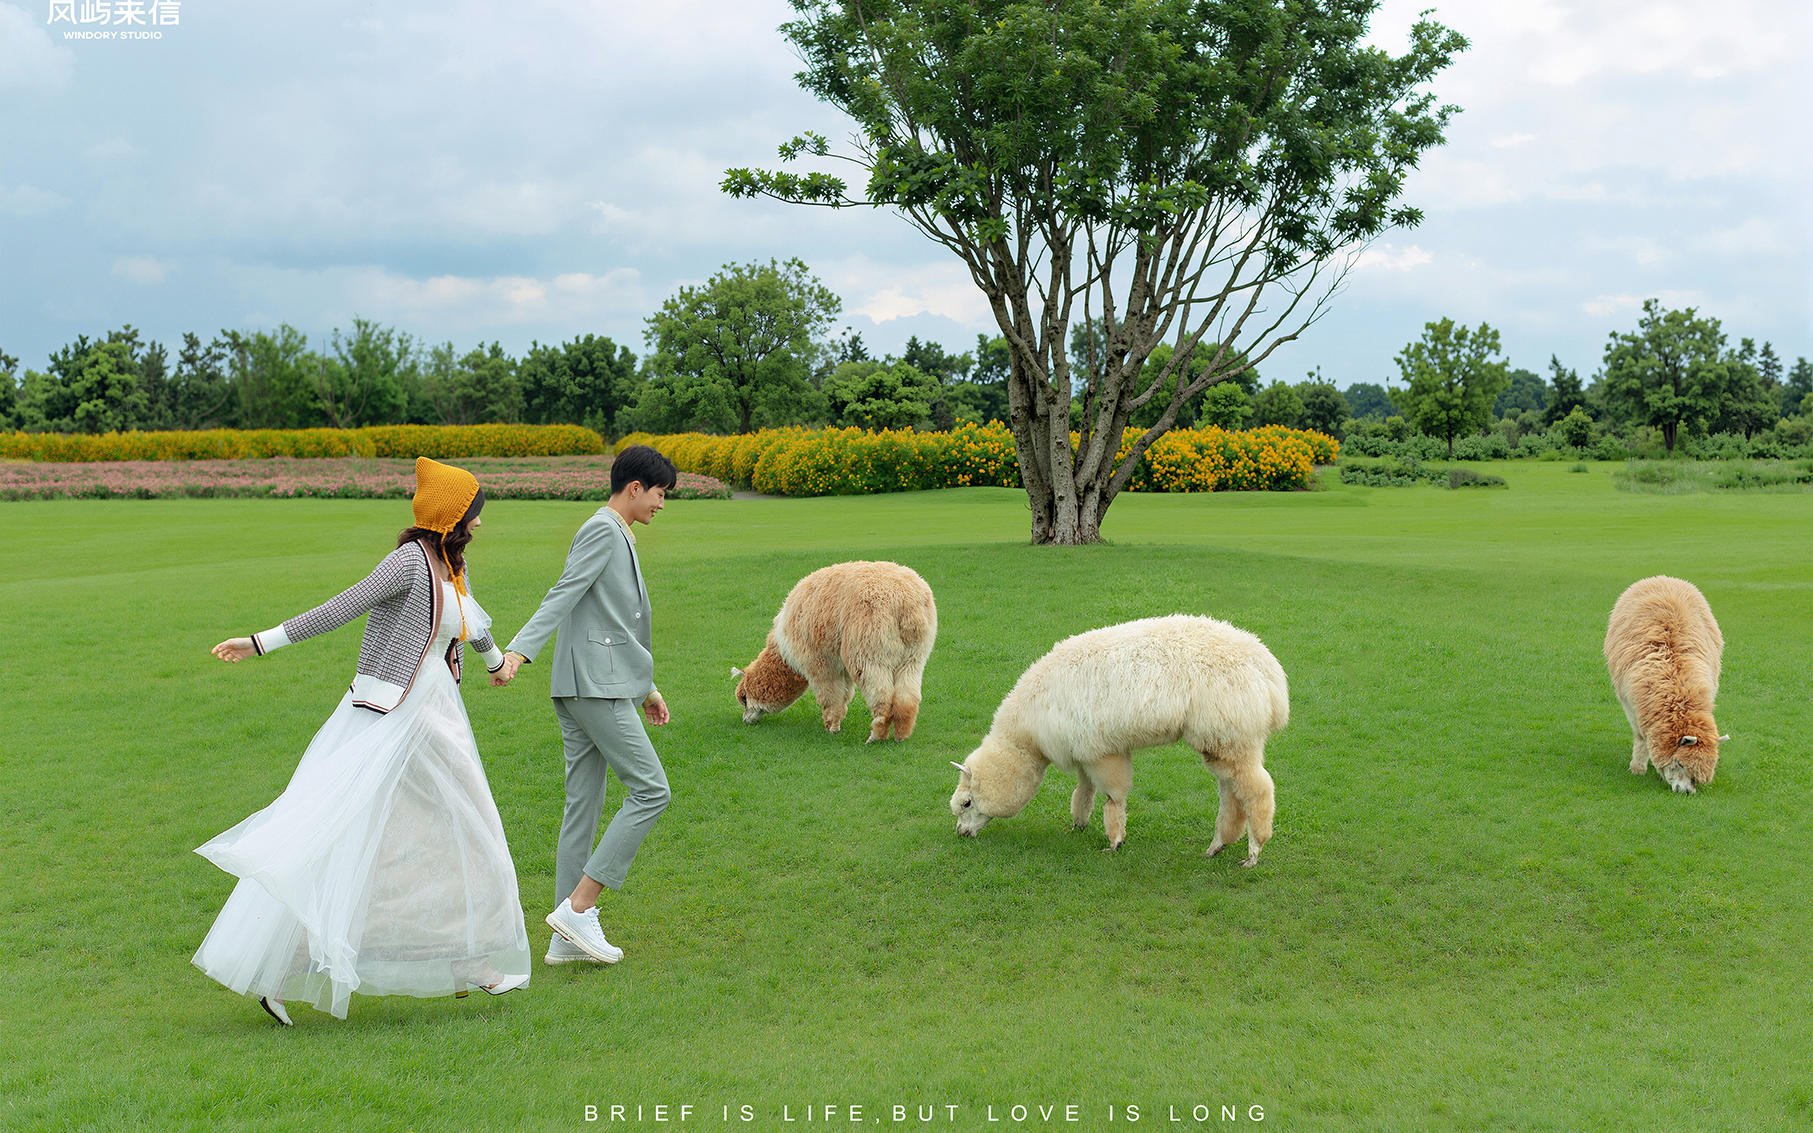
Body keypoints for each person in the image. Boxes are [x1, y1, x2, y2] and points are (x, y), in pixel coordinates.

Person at [195, 457, 531, 1025]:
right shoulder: (409, 562)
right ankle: (286, 969)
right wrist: (259, 642)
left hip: (436, 716)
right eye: (474, 513)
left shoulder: (452, 563)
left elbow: (469, 619)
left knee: (437, 834)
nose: (480, 522)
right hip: (400, 715)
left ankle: (467, 959)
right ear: (450, 516)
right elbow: (342, 607)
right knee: (413, 832)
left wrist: (496, 662)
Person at [494, 444, 676, 966]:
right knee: (652, 791)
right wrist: (518, 652)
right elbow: (564, 592)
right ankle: (579, 907)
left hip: (589, 683)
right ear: (635, 488)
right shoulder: (602, 530)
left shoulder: (616, 530)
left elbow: (613, 620)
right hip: (595, 686)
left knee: (583, 809)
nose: (662, 504)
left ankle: (563, 941)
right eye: (660, 493)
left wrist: (647, 688)